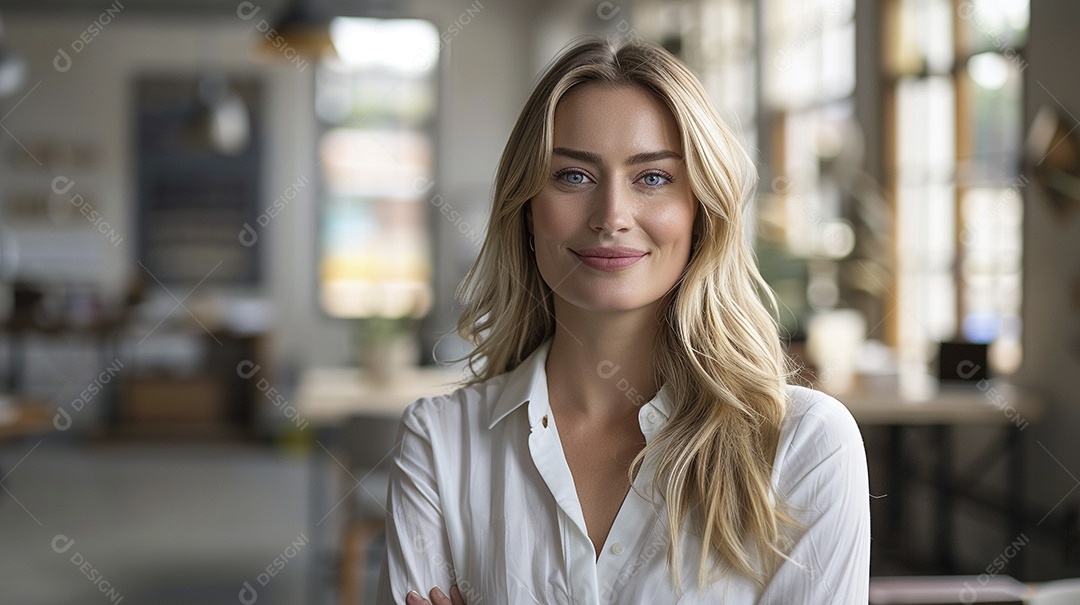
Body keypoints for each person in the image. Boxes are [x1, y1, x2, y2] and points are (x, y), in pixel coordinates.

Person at [376, 36, 870, 605]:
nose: (611, 216)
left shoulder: (805, 445)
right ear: (527, 212)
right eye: (573, 177)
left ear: (701, 212)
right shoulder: (440, 443)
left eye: (653, 177)